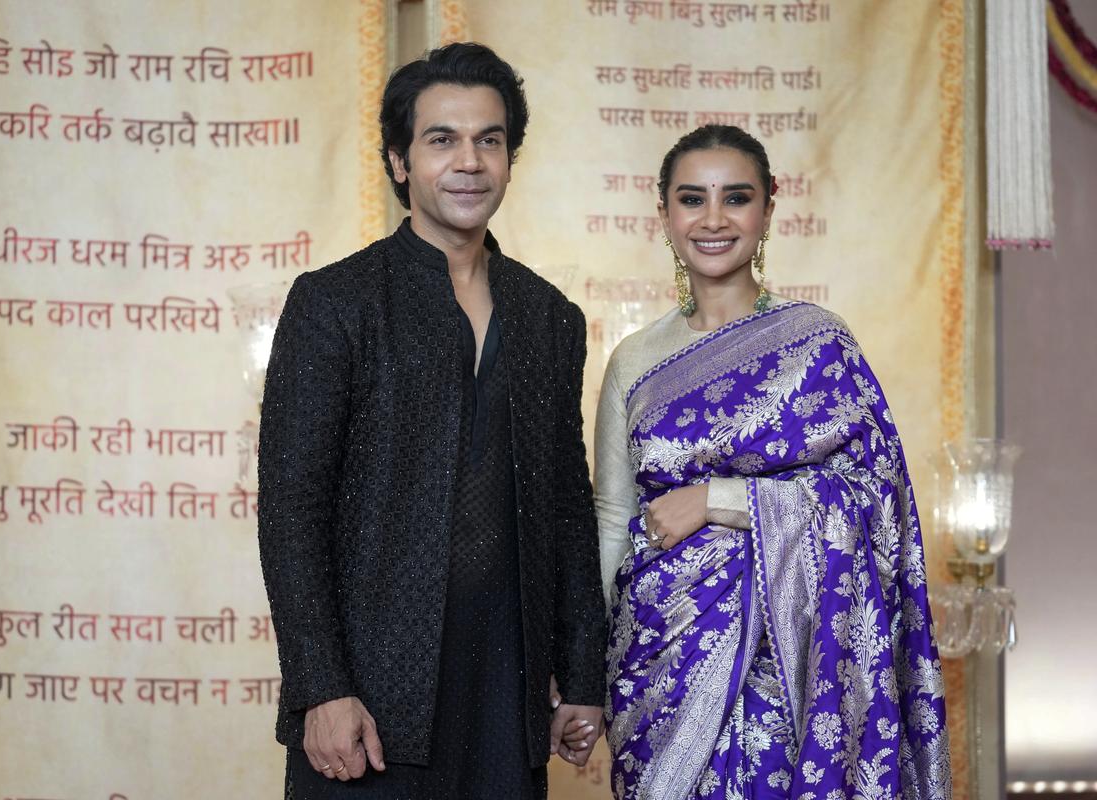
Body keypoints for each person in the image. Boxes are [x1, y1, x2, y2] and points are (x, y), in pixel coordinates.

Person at [257, 42, 606, 799]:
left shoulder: (550, 317)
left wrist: (582, 676)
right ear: (398, 161)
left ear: (511, 159)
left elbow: (568, 510)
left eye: (490, 140)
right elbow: (292, 511)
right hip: (371, 702)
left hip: (507, 699)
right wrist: (321, 688)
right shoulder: (338, 303)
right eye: (441, 139)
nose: (469, 162)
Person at [595, 125, 951, 799]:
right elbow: (613, 515)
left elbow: (879, 498)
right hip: (659, 654)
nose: (714, 219)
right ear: (664, 213)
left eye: (736, 198)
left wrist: (720, 501)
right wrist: (581, 668)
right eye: (692, 199)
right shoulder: (634, 362)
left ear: (768, 209)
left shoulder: (818, 342)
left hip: (794, 663)